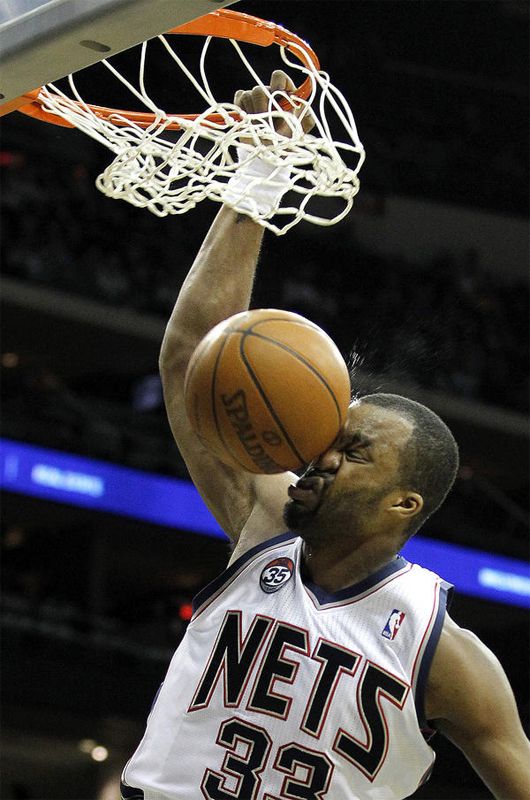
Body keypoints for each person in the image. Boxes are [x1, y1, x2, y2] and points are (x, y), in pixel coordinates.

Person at [121, 71, 530, 800]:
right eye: (329, 439)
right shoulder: (265, 527)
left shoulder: (444, 652)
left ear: (405, 502)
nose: (321, 456)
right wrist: (260, 174)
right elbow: (192, 357)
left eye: (354, 451)